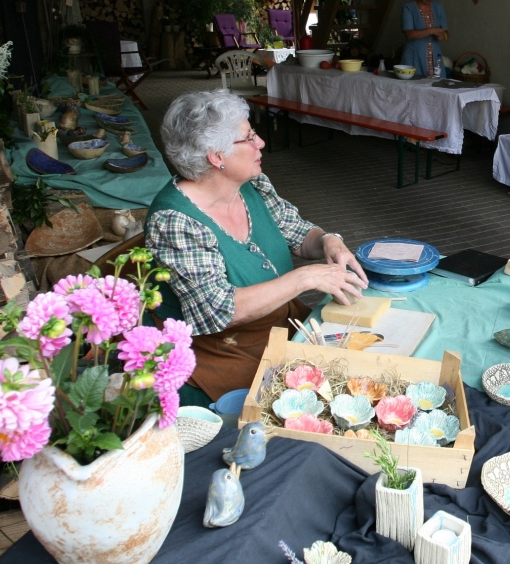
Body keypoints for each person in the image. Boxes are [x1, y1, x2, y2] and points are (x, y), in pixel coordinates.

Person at [146, 90, 369, 404]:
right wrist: (304, 279)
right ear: (216, 156)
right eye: (248, 137)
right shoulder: (175, 222)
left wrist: (328, 240)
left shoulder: (251, 185)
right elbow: (217, 311)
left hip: (282, 325)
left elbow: (298, 233)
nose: (260, 143)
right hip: (224, 352)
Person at [401, 0, 448, 78]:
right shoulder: (408, 8)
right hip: (414, 58)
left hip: (435, 58)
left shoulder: (437, 7)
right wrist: (432, 30)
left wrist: (443, 35)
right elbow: (409, 34)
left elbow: (445, 31)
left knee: (436, 88)